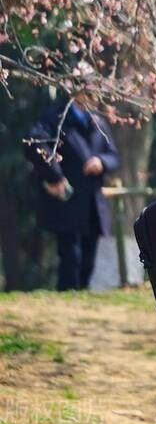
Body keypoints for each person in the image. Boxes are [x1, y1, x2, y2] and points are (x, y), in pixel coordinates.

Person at [25, 91, 120, 291]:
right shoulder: (55, 117)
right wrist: (55, 176)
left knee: (88, 257)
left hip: (92, 201)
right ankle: (67, 296)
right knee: (70, 257)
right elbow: (35, 144)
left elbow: (113, 155)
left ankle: (82, 295)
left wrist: (101, 162)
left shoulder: (98, 122)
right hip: (67, 201)